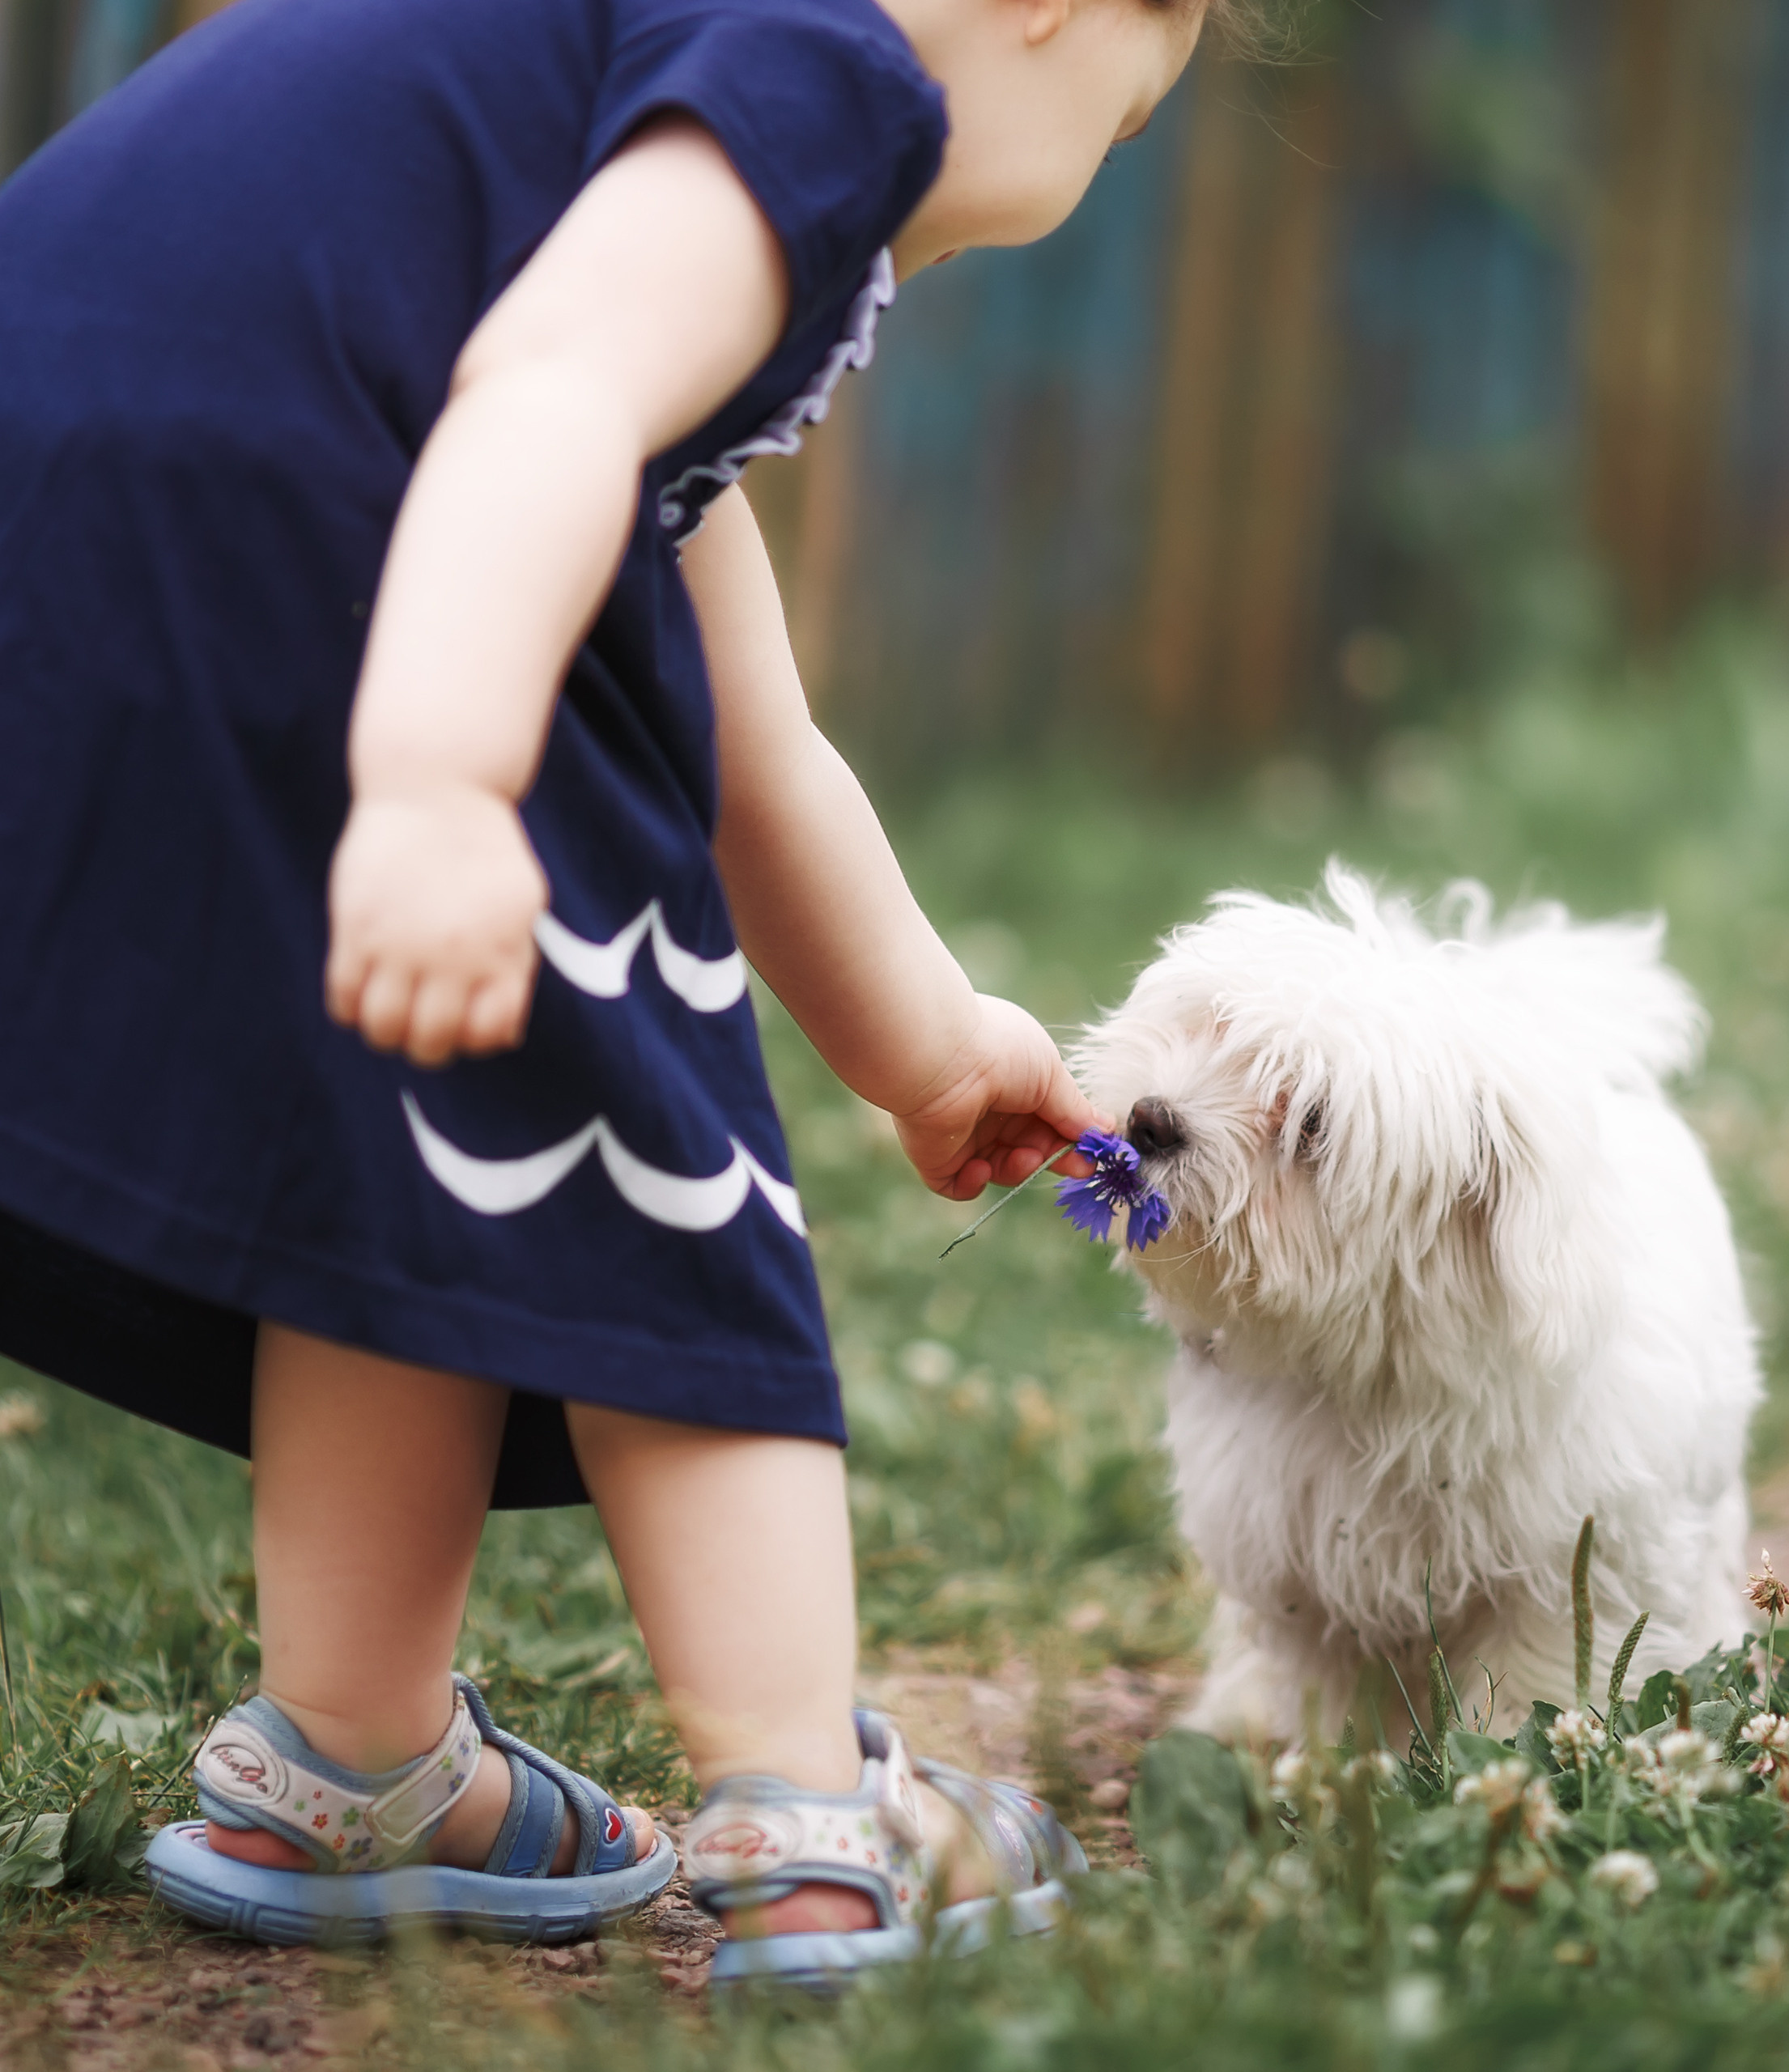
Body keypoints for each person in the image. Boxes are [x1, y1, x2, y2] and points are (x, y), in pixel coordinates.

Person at [0, 0, 1203, 1985]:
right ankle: (804, 1810)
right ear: (1052, 12)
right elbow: (543, 397)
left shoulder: (623, 109)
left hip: (105, 460)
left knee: (427, 1115)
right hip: (329, 507)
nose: (1094, 168)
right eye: (1134, 114)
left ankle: (355, 1755)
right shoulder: (827, 71)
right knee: (650, 1155)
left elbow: (740, 731)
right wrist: (442, 782)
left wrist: (926, 1046)